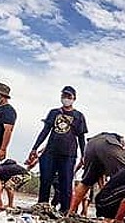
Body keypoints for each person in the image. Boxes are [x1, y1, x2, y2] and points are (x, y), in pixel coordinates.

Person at [29, 86, 88, 214]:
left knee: (66, 182)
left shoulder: (79, 116)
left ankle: (65, 209)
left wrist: (84, 156)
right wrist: (35, 148)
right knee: (45, 179)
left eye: (69, 97)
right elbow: (45, 131)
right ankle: (42, 205)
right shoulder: (54, 113)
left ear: (74, 99)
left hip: (68, 154)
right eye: (64, 96)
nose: (66, 99)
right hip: (50, 152)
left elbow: (81, 138)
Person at [67, 132, 125, 215]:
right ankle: (116, 216)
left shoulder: (109, 159)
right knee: (123, 179)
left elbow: (100, 177)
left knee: (86, 182)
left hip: (91, 144)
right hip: (109, 143)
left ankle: (71, 212)